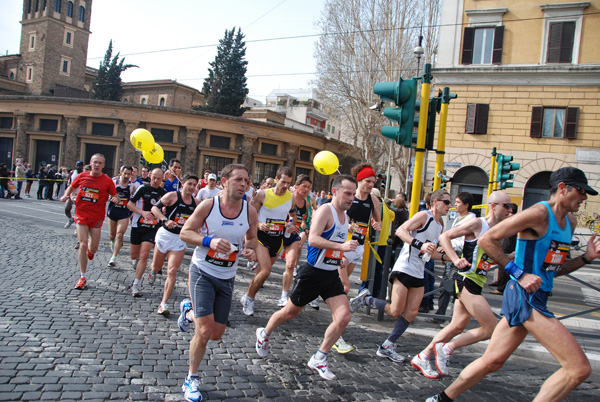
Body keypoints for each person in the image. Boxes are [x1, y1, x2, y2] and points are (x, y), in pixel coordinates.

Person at [426, 167, 599, 402]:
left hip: (536, 295)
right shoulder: (539, 213)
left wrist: (586, 258)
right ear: (562, 188)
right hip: (524, 296)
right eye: (580, 191)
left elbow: (553, 270)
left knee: (492, 361)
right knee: (578, 368)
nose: (584, 197)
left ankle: (441, 399)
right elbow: (488, 239)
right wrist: (519, 274)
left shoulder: (570, 221)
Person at [255, 175, 359, 381]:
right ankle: (264, 334)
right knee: (289, 313)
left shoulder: (345, 217)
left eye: (354, 194)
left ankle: (320, 357)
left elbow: (333, 245)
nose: (351, 198)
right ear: (335, 192)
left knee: (344, 317)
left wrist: (340, 257)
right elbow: (313, 239)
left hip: (330, 275)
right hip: (312, 274)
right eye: (348, 193)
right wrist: (341, 247)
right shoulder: (325, 211)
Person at [177, 164, 258, 402]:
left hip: (227, 277)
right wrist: (208, 241)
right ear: (224, 182)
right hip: (202, 271)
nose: (244, 185)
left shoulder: (249, 210)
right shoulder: (208, 205)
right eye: (239, 180)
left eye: (247, 181)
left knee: (216, 333)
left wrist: (251, 249)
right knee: (203, 331)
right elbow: (185, 232)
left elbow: (251, 238)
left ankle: (188, 312)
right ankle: (191, 379)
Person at [411, 191, 512, 379]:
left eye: (511, 206)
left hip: (478, 281)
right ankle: (448, 347)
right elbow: (444, 237)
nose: (510, 210)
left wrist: (511, 259)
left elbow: (489, 259)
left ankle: (423, 355)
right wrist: (456, 259)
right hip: (466, 280)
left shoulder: (499, 231)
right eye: (506, 206)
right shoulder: (477, 223)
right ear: (493, 205)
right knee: (490, 328)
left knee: (457, 326)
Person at [350, 189, 451, 363]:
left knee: (411, 312)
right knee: (395, 311)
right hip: (404, 267)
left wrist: (445, 257)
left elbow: (429, 253)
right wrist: (420, 245)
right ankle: (367, 299)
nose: (450, 206)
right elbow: (401, 231)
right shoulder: (424, 216)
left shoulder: (440, 225)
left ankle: (388, 345)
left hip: (419, 271)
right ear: (436, 202)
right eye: (446, 202)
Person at [334, 163, 382, 354]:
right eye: (368, 181)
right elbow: (335, 216)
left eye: (373, 182)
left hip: (358, 247)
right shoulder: (348, 197)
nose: (371, 185)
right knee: (344, 287)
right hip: (342, 245)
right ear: (359, 181)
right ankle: (338, 332)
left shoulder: (374, 200)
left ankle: (336, 321)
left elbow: (376, 221)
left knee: (339, 288)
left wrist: (376, 225)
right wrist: (348, 226)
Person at [240, 167, 296, 316]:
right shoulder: (263, 194)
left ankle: (247, 296)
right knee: (265, 270)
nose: (285, 186)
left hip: (277, 239)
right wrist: (258, 224)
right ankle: (250, 299)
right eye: (283, 182)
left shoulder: (291, 197)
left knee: (261, 273)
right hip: (261, 238)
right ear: (276, 179)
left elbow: (292, 216)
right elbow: (251, 215)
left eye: (288, 183)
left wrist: (290, 225)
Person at [59, 154, 117, 289]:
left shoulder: (107, 181)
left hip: (97, 217)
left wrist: (116, 199)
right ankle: (82, 276)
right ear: (90, 163)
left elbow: (115, 196)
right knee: (83, 244)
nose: (97, 165)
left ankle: (91, 252)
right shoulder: (82, 176)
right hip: (82, 214)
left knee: (93, 248)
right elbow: (71, 187)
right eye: (95, 162)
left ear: (103, 165)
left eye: (100, 163)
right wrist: (66, 195)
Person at [147, 174, 200, 316]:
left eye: (194, 185)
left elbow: (202, 219)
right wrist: (165, 220)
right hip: (165, 235)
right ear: (183, 184)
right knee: (156, 266)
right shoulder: (172, 196)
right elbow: (154, 209)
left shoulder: (197, 202)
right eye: (189, 184)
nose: (191, 187)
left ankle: (163, 304)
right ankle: (153, 271)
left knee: (172, 270)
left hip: (179, 239)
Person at [431, 192, 476, 322]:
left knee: (456, 288)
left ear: (466, 205)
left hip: (460, 256)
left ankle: (454, 318)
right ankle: (440, 315)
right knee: (446, 285)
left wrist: (448, 246)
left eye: (457, 202)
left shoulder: (471, 220)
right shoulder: (458, 218)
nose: (454, 205)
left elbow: (464, 241)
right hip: (452, 255)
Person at [277, 174, 317, 309]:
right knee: (264, 269)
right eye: (304, 186)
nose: (306, 189)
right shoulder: (287, 198)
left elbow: (302, 220)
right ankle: (250, 295)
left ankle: (283, 296)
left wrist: (306, 229)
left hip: (293, 236)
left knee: (290, 265)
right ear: (297, 186)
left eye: (309, 187)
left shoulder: (306, 204)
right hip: (278, 233)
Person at [127, 168, 167, 297]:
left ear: (162, 180)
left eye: (159, 179)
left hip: (152, 228)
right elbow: (130, 204)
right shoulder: (142, 189)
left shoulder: (163, 193)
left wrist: (164, 212)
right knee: (134, 255)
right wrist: (142, 212)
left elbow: (168, 208)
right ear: (150, 176)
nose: (156, 181)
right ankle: (137, 262)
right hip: (138, 225)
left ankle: (136, 284)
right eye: (154, 178)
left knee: (144, 254)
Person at [107, 166, 135, 268]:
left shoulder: (131, 186)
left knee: (119, 234)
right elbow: (106, 194)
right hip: (113, 210)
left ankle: (113, 257)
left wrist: (133, 210)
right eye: (125, 173)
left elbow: (134, 199)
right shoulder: (114, 183)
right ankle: (111, 242)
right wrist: (111, 198)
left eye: (129, 174)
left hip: (124, 212)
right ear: (121, 172)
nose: (127, 176)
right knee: (112, 235)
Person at [490, 202, 519, 295]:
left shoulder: (511, 219)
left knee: (503, 267)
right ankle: (502, 285)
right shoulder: (515, 219)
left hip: (507, 246)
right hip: (508, 245)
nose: (508, 211)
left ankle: (501, 288)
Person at [64, 161, 84, 229]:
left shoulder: (83, 174)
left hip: (79, 193)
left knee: (77, 211)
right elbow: (69, 182)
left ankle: (77, 226)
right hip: (72, 193)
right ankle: (70, 219)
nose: (78, 167)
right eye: (77, 166)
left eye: (80, 166)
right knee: (67, 208)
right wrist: (67, 192)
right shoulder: (73, 172)